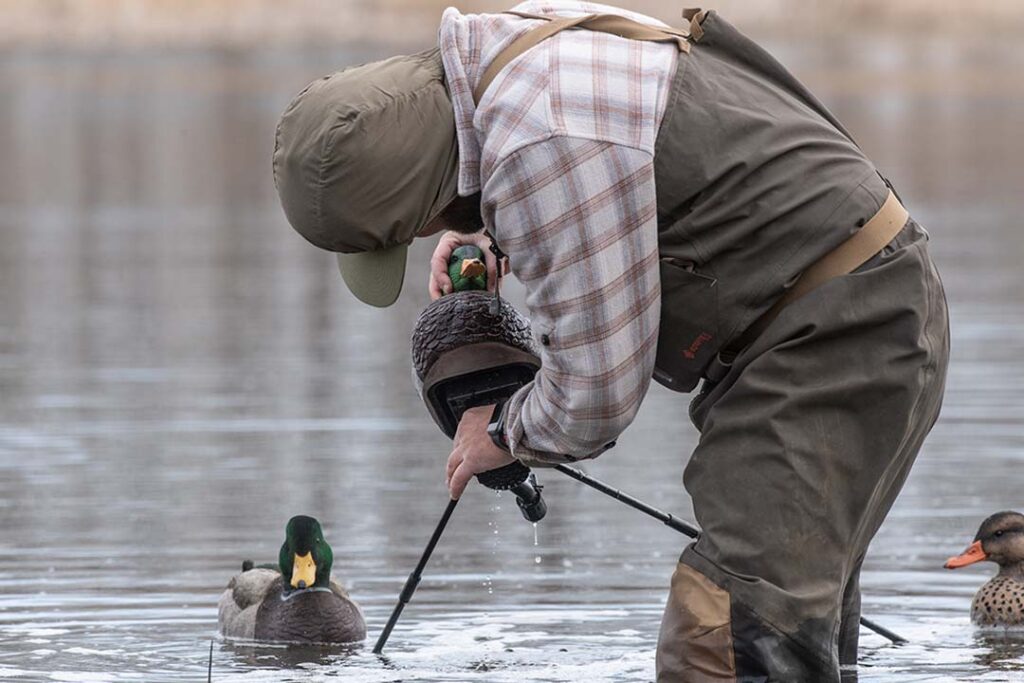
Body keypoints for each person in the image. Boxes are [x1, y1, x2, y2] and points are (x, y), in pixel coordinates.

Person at [271, 2, 950, 680]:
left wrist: (502, 431)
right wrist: (493, 232)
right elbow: (617, 168)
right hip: (856, 308)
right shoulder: (515, 53)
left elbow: (594, 396)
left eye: (405, 229)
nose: (418, 240)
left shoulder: (538, 143)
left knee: (721, 638)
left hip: (835, 336)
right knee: (785, 635)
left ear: (419, 194)